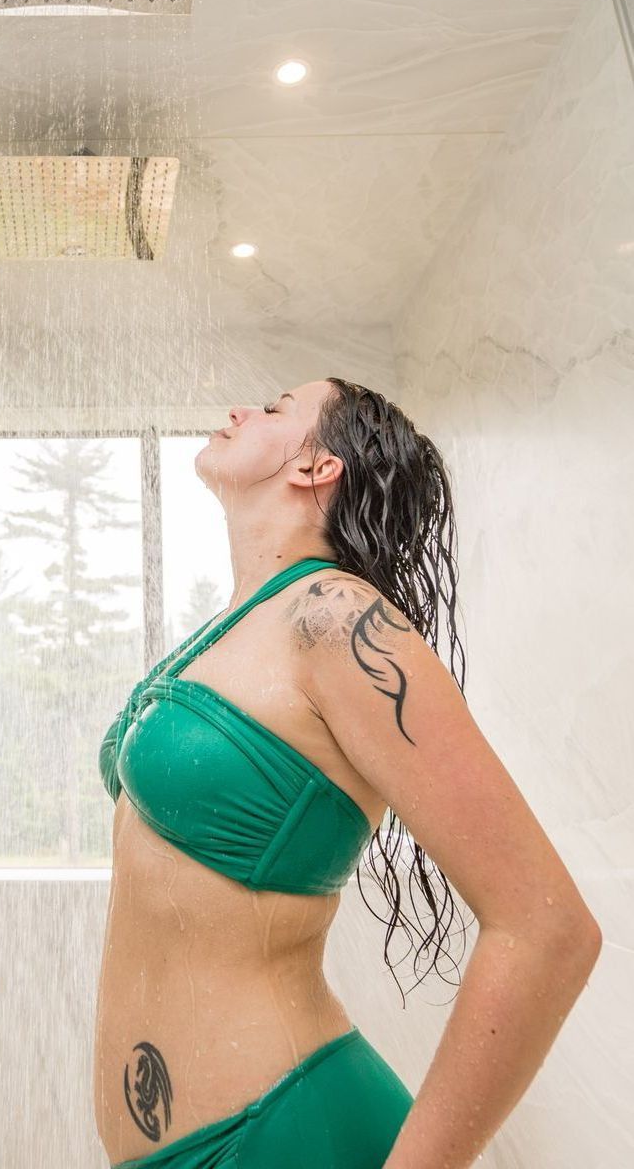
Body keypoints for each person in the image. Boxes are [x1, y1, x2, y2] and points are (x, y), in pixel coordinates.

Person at [93, 378, 601, 1169]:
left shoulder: (336, 621)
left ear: (316, 466)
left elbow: (547, 931)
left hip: (285, 1134)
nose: (238, 411)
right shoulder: (237, 626)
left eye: (272, 408)